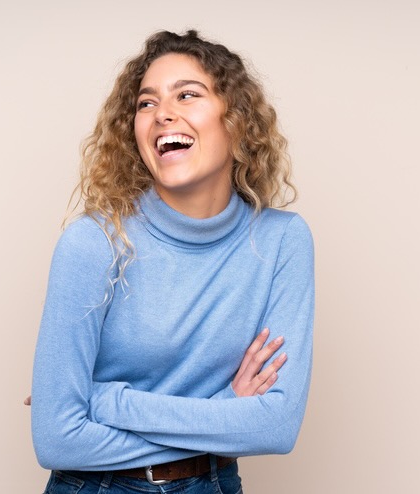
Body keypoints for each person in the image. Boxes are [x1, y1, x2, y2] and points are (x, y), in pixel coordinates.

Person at [29, 29, 315, 494]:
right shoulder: (94, 242)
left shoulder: (282, 241)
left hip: (214, 486)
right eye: (146, 103)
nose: (163, 113)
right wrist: (226, 410)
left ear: (237, 120)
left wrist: (105, 401)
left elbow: (275, 427)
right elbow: (58, 440)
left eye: (188, 95)